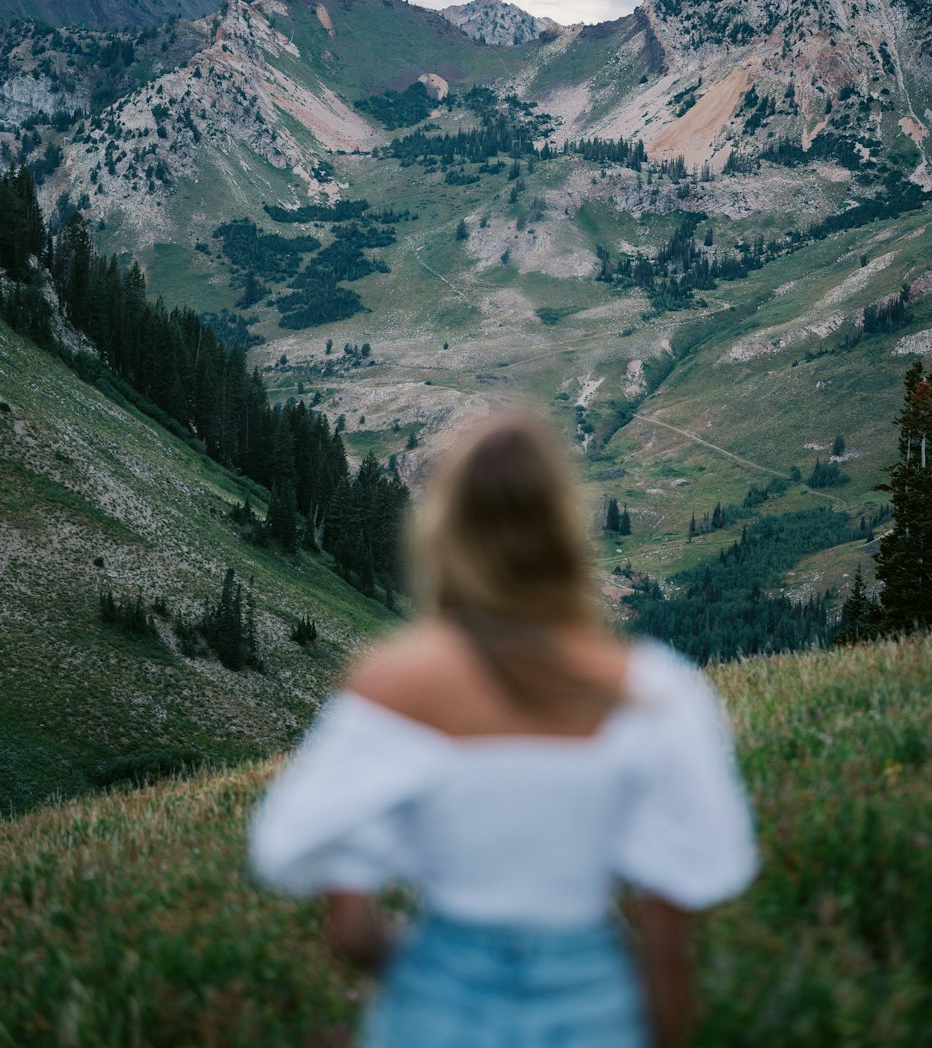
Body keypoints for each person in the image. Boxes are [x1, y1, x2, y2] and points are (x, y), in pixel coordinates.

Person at [250, 410, 758, 1046]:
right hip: (589, 994)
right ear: (566, 535)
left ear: (446, 537)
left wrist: (415, 967)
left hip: (441, 995)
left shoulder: (396, 682)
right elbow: (671, 926)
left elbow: (326, 898)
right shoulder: (651, 688)